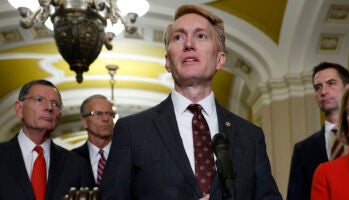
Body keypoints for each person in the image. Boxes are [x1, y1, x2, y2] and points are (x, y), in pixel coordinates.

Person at [100, 4, 282, 200]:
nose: (188, 44)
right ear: (168, 61)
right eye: (178, 37)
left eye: (201, 36)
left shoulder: (250, 136)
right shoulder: (132, 131)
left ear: (220, 60)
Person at [0, 79, 92, 200]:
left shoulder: (77, 165)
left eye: (55, 104)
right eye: (39, 100)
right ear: (19, 109)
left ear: (59, 115)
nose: (49, 107)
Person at [287, 62, 349, 200]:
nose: (323, 91)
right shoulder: (303, 149)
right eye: (318, 87)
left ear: (348, 89)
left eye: (331, 83)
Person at [72, 94, 115, 187]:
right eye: (98, 114)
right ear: (84, 122)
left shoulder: (128, 155)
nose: (106, 119)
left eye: (110, 114)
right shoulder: (72, 158)